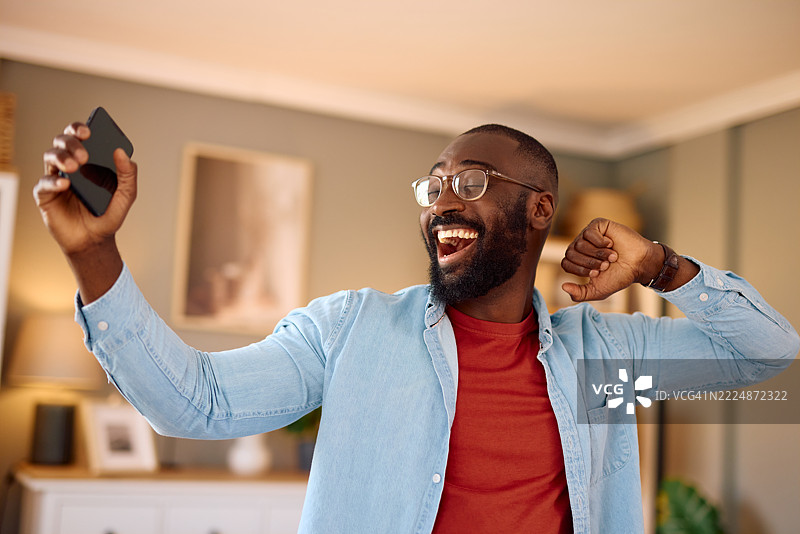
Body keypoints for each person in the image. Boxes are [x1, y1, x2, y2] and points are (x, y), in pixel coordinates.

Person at [36, 122, 798, 534]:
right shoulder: (351, 333)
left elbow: (768, 353)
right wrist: (96, 254)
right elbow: (193, 404)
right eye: (432, 188)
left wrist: (663, 268)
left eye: (469, 183)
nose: (441, 204)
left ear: (539, 210)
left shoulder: (603, 357)